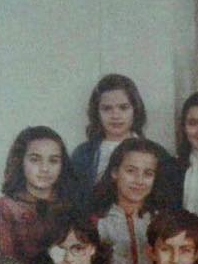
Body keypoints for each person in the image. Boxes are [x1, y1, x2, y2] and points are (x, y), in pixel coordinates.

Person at [69, 74, 178, 207]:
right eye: (107, 108)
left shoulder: (157, 153)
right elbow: (73, 202)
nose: (115, 115)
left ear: (135, 109)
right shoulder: (83, 154)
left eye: (123, 107)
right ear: (96, 112)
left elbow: (168, 203)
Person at [0, 126, 73, 264]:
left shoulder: (70, 204)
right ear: (20, 161)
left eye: (53, 161)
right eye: (35, 160)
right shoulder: (4, 208)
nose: (44, 168)